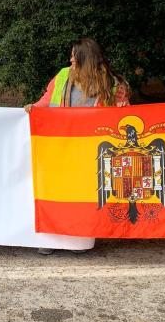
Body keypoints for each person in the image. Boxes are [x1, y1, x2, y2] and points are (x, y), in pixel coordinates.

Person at [25, 38, 130, 255]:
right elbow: (47, 100)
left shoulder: (112, 84)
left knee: (82, 195)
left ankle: (78, 240)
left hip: (90, 150)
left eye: (75, 55)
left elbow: (124, 116)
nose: (70, 59)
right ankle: (50, 239)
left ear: (86, 59)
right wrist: (32, 108)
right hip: (60, 145)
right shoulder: (63, 75)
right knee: (54, 192)